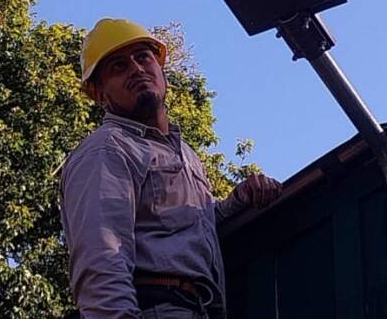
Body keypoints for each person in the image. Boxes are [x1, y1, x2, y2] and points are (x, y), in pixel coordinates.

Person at [60, 18, 282, 318]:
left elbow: (184, 229)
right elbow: (101, 258)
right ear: (100, 94)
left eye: (142, 57)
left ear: (160, 68)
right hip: (153, 307)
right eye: (118, 66)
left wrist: (236, 204)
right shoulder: (108, 148)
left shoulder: (185, 154)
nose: (136, 69)